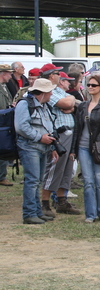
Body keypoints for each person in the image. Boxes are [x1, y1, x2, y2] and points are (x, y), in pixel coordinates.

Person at [71, 74, 100, 223]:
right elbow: (77, 128)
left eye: (93, 85)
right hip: (83, 147)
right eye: (89, 85)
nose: (90, 87)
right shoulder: (83, 106)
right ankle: (90, 214)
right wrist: (73, 150)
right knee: (88, 181)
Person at [14, 78, 59, 224]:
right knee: (32, 181)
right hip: (30, 147)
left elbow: (47, 126)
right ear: (44, 92)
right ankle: (29, 213)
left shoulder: (43, 105)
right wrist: (39, 138)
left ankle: (36, 212)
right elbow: (21, 127)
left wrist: (51, 146)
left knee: (37, 181)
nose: (52, 94)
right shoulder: (24, 104)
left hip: (41, 147)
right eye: (50, 91)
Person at [40, 64, 81, 216]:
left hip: (70, 133)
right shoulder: (47, 90)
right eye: (58, 73)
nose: (60, 77)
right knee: (54, 168)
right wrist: (70, 99)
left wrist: (70, 100)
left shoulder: (59, 90)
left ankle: (61, 200)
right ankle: (45, 202)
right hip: (58, 134)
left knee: (67, 168)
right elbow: (67, 103)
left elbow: (76, 105)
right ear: (51, 75)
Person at [0, 65, 14, 186]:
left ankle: (2, 175)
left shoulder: (4, 87)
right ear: (3, 74)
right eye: (9, 73)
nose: (11, 76)